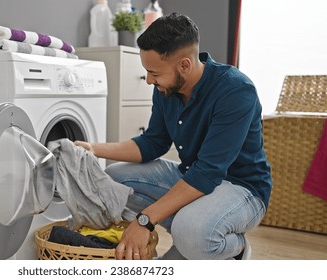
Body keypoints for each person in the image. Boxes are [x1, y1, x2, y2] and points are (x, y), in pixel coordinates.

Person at [74, 12, 272, 260]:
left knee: (191, 232)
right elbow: (152, 143)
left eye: (154, 73)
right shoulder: (167, 88)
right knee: (112, 181)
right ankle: (192, 233)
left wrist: (144, 221)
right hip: (193, 175)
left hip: (242, 189)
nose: (148, 80)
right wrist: (92, 148)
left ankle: (232, 249)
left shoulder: (235, 90)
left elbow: (208, 173)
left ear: (184, 65)